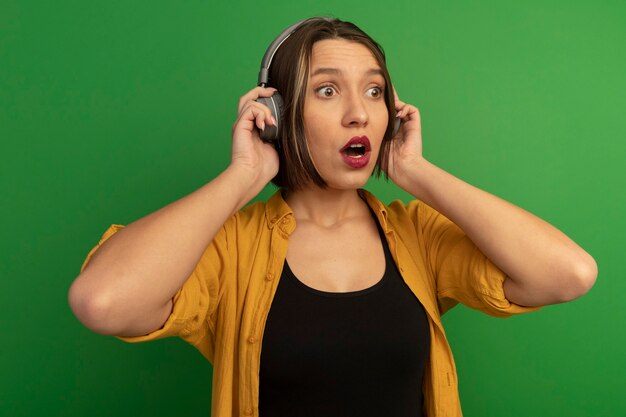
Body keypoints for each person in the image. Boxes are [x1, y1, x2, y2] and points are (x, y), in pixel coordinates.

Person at [68, 17, 597, 417]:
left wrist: (415, 172)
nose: (359, 112)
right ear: (275, 115)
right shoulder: (231, 248)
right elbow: (103, 302)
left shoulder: (417, 235)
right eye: (327, 90)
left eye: (374, 90)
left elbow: (568, 274)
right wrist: (243, 178)